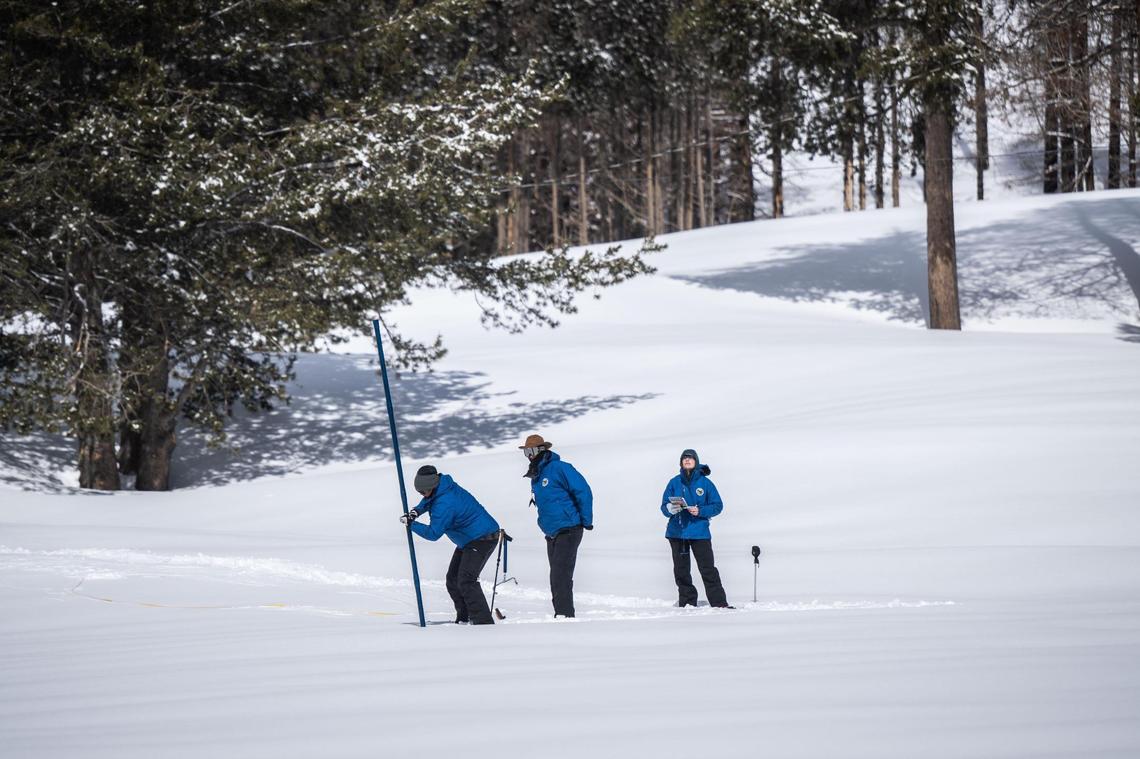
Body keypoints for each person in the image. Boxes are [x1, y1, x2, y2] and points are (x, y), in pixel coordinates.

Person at [402, 464, 500, 625]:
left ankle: (483, 623)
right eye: (419, 492)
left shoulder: (445, 503)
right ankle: (464, 618)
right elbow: (428, 500)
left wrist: (411, 524)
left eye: (423, 491)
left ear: (432, 486)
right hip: (468, 540)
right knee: (453, 580)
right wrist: (416, 512)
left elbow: (434, 534)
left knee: (466, 580)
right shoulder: (441, 487)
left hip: (483, 538)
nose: (422, 494)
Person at [520, 434, 593, 618]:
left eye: (531, 451)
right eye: (526, 452)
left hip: (569, 528)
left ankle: (565, 616)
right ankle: (561, 614)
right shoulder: (536, 475)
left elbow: (583, 491)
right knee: (556, 577)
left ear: (542, 450)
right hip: (552, 532)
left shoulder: (560, 468)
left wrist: (586, 520)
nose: (529, 455)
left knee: (560, 576)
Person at [660, 448, 731, 608]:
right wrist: (671, 508)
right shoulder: (674, 482)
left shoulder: (705, 483)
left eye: (690, 458)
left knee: (707, 569)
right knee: (681, 570)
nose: (687, 460)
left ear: (696, 461)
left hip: (700, 532)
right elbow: (664, 506)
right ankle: (687, 602)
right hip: (677, 533)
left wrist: (701, 511)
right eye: (684, 458)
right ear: (681, 462)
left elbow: (718, 505)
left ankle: (719, 603)